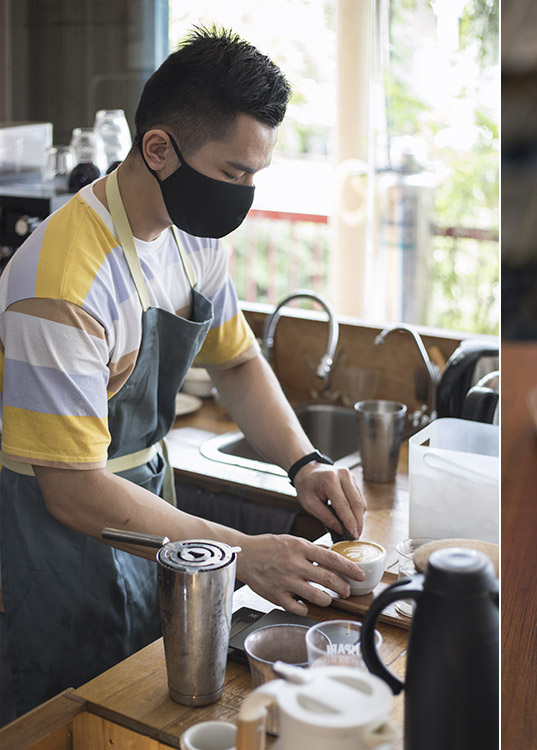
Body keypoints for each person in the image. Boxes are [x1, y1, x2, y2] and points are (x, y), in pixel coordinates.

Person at [0, 26, 367, 716]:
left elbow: (237, 359)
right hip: (58, 540)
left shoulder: (192, 237)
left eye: (256, 175)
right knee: (76, 711)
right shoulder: (64, 281)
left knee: (155, 699)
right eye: (234, 174)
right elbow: (72, 491)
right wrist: (240, 553)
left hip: (148, 504)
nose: (245, 194)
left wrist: (306, 461)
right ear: (159, 149)